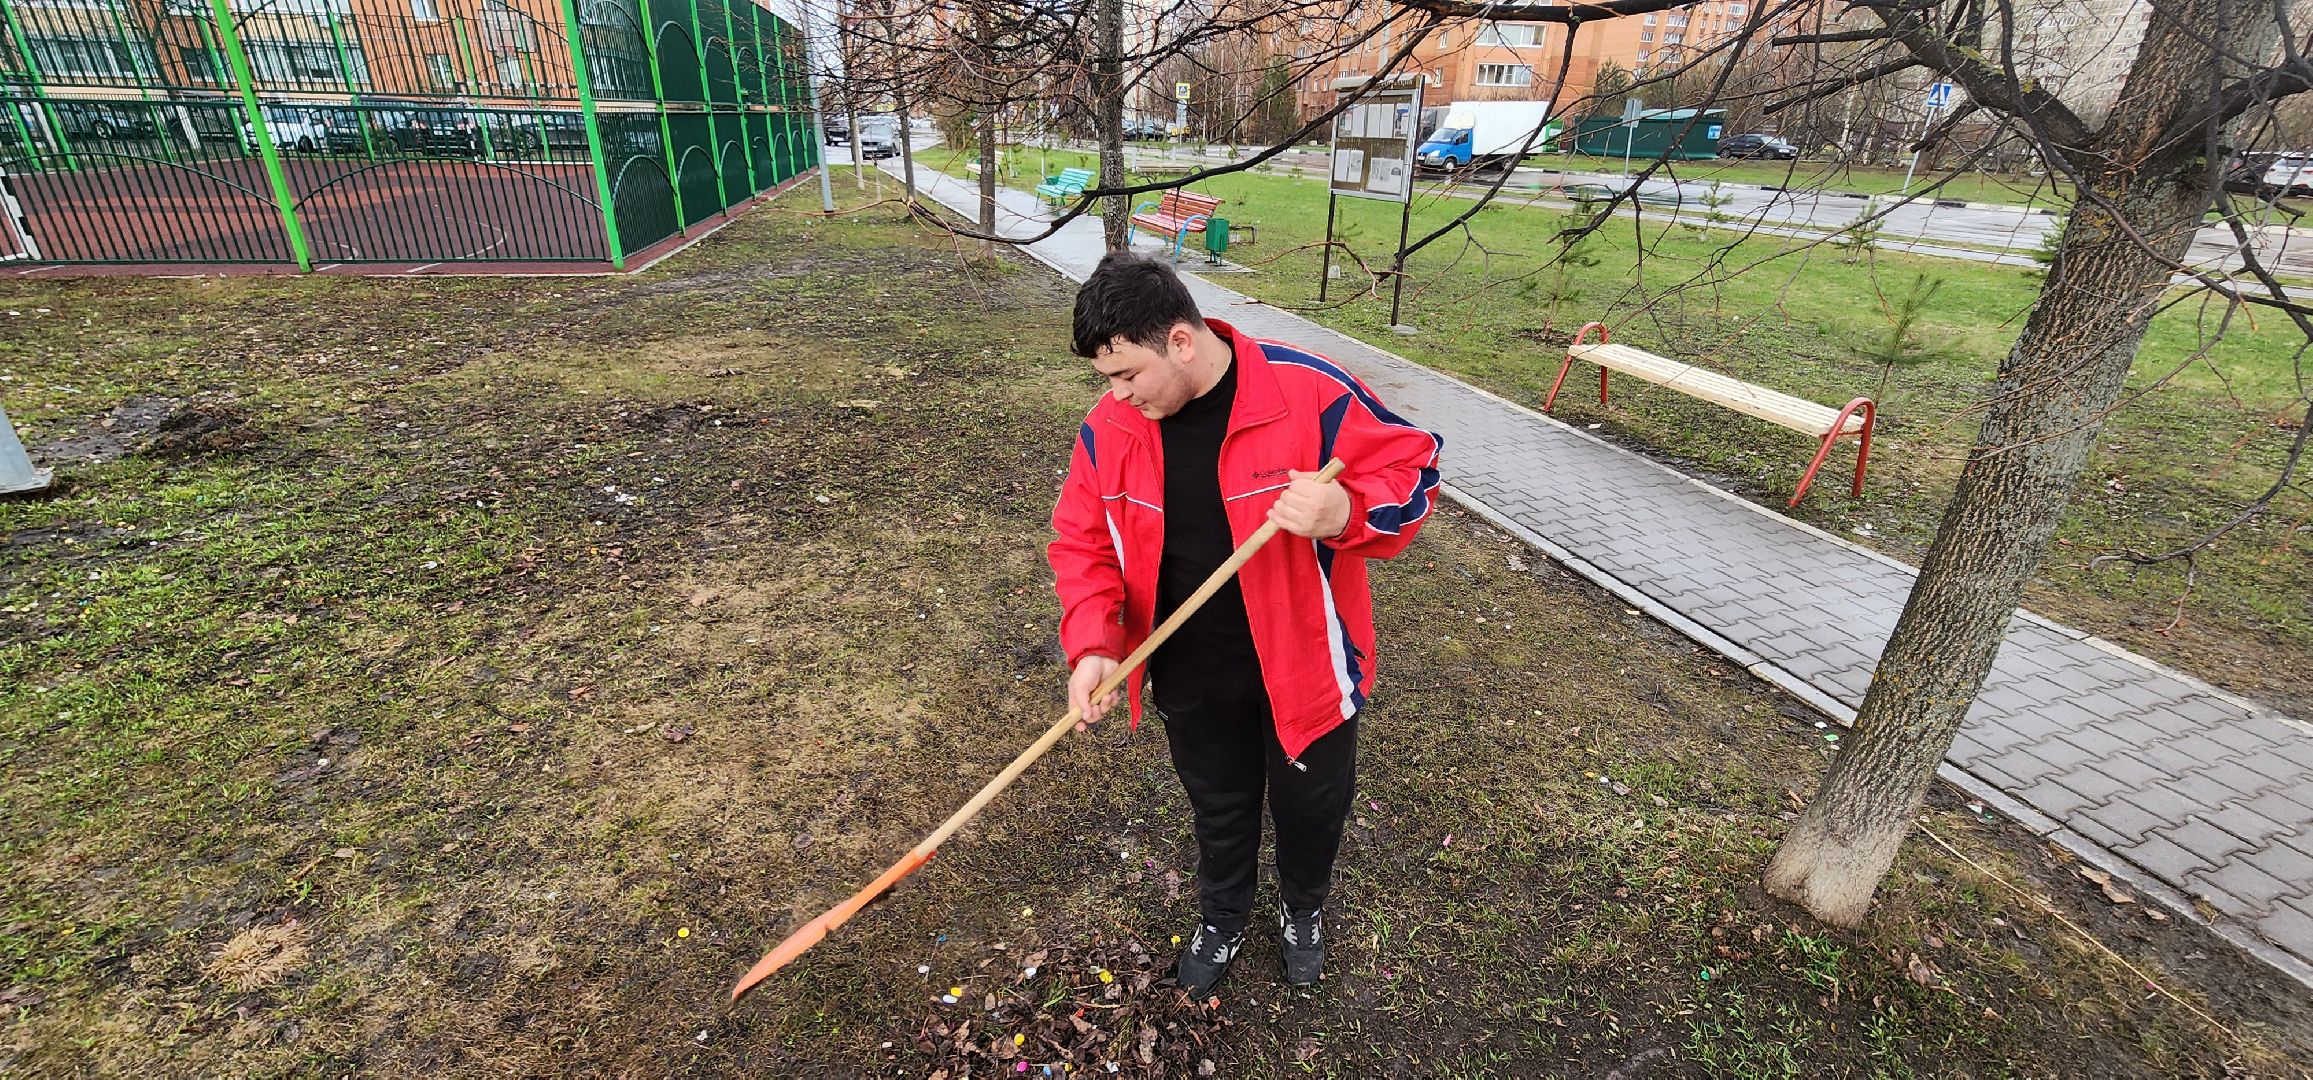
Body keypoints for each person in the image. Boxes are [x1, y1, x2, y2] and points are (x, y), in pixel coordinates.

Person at [1047, 252, 1443, 996]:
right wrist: (1095, 646)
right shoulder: (1109, 430)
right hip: (1190, 665)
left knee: (1312, 804)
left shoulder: (1307, 391)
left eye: (1127, 374)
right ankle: (1223, 917)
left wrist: (1344, 513)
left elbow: (1412, 468)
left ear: (1181, 342)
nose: (1119, 396)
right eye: (1108, 381)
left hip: (1304, 666)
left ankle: (1303, 911)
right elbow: (1082, 543)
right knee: (1218, 805)